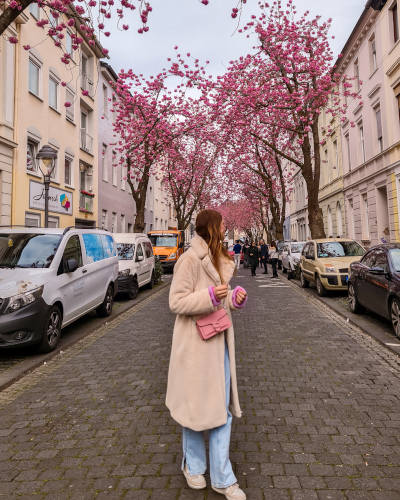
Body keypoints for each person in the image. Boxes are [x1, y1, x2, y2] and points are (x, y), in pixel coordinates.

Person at [167, 209, 248, 500]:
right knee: (193, 408)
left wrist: (235, 298)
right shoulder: (189, 260)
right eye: (223, 223)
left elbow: (224, 301)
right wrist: (211, 296)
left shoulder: (221, 258)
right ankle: (193, 465)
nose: (227, 226)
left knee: (221, 409)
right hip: (195, 346)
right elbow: (176, 301)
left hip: (219, 346)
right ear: (212, 228)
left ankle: (223, 477)